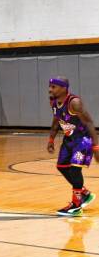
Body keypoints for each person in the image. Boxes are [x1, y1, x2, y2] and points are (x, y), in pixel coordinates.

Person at [47, 77, 99, 216]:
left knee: (75, 171)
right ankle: (84, 193)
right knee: (62, 166)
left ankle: (76, 205)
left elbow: (89, 123)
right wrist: (51, 138)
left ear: (64, 88)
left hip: (83, 140)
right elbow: (56, 120)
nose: (50, 89)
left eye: (53, 87)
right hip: (69, 138)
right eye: (50, 86)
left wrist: (96, 147)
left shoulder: (74, 102)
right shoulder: (53, 101)